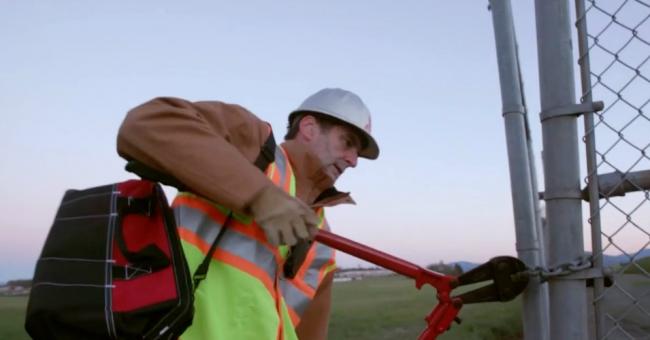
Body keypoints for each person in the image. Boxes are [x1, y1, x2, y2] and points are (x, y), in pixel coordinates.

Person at [116, 88, 379, 340]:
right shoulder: (255, 146)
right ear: (309, 128)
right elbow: (145, 125)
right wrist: (259, 195)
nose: (353, 160)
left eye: (357, 153)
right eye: (347, 143)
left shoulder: (323, 243)